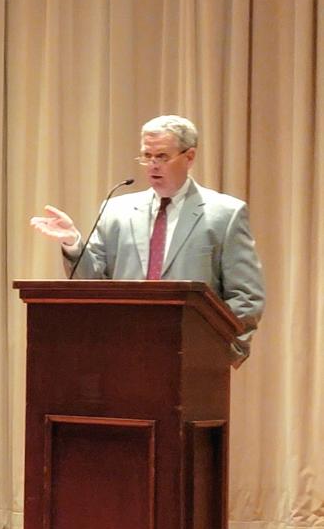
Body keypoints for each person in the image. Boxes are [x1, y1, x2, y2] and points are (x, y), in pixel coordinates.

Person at [29, 115, 266, 366]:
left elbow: (246, 295)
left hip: (194, 361)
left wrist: (217, 351)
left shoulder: (225, 214)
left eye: (162, 156)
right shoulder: (116, 210)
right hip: (121, 355)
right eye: (146, 156)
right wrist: (73, 242)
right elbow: (94, 283)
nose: (152, 165)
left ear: (189, 157)